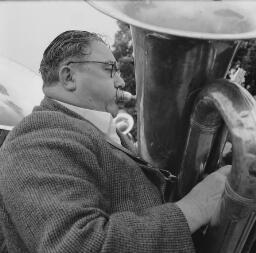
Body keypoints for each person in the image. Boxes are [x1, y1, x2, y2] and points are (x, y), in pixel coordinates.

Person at [0, 30, 230, 252]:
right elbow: (80, 245)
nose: (121, 81)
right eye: (111, 69)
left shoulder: (95, 132)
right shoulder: (36, 138)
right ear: (69, 77)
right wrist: (195, 208)